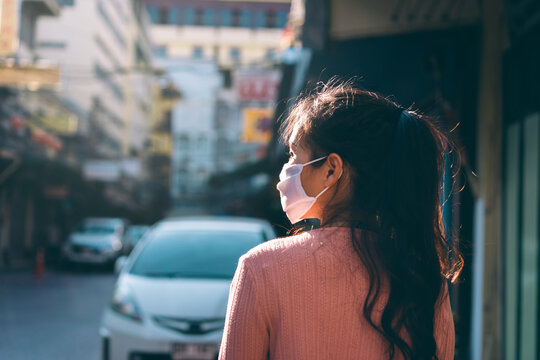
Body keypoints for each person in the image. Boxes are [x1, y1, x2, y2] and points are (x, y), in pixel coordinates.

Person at [218, 80, 462, 360]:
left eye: (295, 154)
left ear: (331, 169)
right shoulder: (425, 281)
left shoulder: (260, 269)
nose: (287, 169)